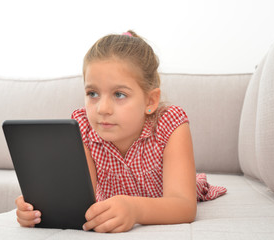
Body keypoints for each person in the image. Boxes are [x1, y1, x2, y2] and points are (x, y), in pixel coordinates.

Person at [15, 30, 198, 233]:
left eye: (119, 94)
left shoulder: (169, 123)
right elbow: (78, 202)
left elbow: (184, 206)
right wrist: (38, 209)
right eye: (92, 93)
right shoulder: (82, 127)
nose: (102, 109)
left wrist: (135, 209)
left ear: (150, 101)